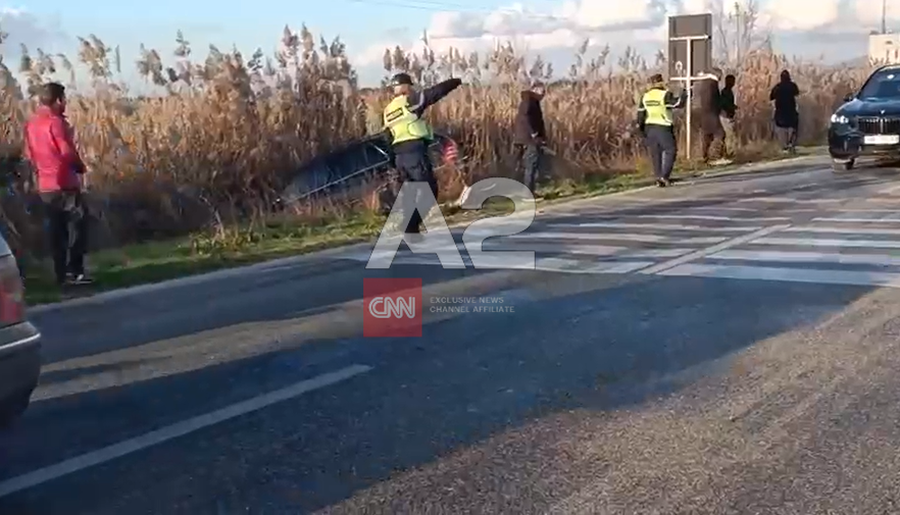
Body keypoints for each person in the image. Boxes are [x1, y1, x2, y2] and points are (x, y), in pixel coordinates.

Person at [23, 82, 92, 286]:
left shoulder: (32, 124)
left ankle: (60, 274)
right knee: (78, 225)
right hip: (65, 183)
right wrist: (81, 167)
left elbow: (29, 155)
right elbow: (66, 151)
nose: (66, 103)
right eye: (64, 99)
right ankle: (76, 271)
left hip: (45, 186)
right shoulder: (56, 122)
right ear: (58, 100)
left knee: (56, 231)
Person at [382, 72, 462, 236]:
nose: (412, 89)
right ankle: (410, 226)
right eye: (410, 86)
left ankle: (408, 225)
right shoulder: (409, 102)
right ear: (405, 87)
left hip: (399, 156)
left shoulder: (388, 110)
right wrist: (455, 81)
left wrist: (392, 163)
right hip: (414, 152)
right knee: (429, 190)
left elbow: (387, 136)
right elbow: (433, 93)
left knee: (410, 191)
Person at [636, 73, 686, 187]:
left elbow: (640, 115)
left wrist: (641, 129)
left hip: (649, 127)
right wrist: (684, 93)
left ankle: (658, 177)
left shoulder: (645, 96)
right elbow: (678, 104)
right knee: (670, 150)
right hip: (663, 126)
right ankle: (664, 176)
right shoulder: (664, 94)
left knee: (655, 153)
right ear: (661, 82)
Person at [513, 80, 547, 201]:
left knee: (531, 165)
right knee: (531, 166)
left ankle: (529, 191)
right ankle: (528, 194)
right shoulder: (529, 101)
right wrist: (533, 133)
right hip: (529, 139)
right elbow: (526, 117)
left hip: (528, 139)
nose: (544, 95)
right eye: (542, 92)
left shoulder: (531, 101)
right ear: (535, 90)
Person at [694, 69, 731, 166]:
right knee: (720, 134)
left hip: (703, 114)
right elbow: (713, 99)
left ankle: (705, 157)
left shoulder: (704, 83)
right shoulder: (711, 84)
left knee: (707, 136)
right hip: (710, 113)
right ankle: (715, 157)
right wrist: (719, 108)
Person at [770, 70, 800, 153]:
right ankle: (790, 144)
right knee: (793, 127)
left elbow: (771, 97)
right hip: (791, 111)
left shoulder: (777, 87)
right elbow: (797, 95)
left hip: (780, 112)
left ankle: (784, 146)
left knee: (781, 129)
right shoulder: (793, 86)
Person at [719, 74, 737, 157]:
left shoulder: (728, 91)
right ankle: (729, 152)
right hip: (725, 116)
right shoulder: (726, 91)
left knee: (730, 135)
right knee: (729, 135)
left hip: (727, 115)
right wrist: (731, 107)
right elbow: (724, 104)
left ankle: (729, 152)